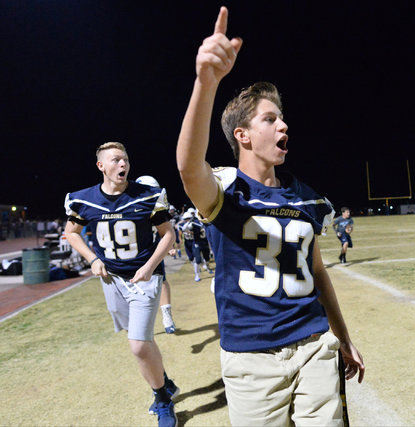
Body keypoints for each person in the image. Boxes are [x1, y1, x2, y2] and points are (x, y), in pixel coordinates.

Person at [175, 7, 364, 425]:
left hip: (314, 344)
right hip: (251, 360)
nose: (283, 126)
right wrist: (206, 83)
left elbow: (317, 271)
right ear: (242, 135)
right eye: (270, 118)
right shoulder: (225, 194)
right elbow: (189, 168)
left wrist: (342, 336)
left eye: (282, 118)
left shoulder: (308, 199)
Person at [63, 142, 179, 427]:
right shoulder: (84, 199)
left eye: (125, 159)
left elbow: (168, 234)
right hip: (111, 280)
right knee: (141, 340)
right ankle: (166, 383)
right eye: (115, 160)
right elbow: (72, 232)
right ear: (101, 166)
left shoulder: (148, 196)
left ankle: (163, 400)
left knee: (138, 345)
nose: (122, 164)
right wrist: (92, 259)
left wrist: (149, 267)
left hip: (144, 279)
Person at [135, 175, 177, 335]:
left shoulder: (156, 207)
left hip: (151, 252)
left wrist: (170, 247)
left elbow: (165, 232)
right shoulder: (129, 206)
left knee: (162, 281)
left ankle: (167, 315)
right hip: (132, 255)